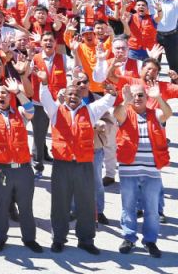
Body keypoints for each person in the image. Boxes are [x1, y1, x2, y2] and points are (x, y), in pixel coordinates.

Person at [37, 71, 117, 254]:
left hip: (84, 165)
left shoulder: (90, 111)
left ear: (81, 96)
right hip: (62, 165)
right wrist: (44, 82)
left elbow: (107, 101)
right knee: (60, 203)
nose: (73, 97)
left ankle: (86, 240)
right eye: (70, 94)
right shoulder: (55, 111)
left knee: (86, 203)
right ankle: (58, 238)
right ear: (64, 96)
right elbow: (45, 98)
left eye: (76, 94)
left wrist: (112, 93)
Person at [0, 79, 42, 252]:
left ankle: (29, 239)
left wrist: (18, 92)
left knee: (25, 205)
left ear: (9, 97)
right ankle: (0, 238)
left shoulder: (20, 112)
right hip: (1, 169)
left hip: (23, 168)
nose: (1, 95)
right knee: (1, 205)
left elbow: (31, 111)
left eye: (4, 92)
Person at [114, 81, 170, 258]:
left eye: (140, 95)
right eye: (134, 95)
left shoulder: (156, 113)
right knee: (128, 206)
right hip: (128, 170)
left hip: (151, 171)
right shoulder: (125, 112)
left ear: (146, 98)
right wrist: (125, 101)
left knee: (152, 209)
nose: (137, 98)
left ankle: (150, 241)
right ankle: (129, 237)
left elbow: (167, 113)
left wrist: (158, 97)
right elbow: (117, 114)